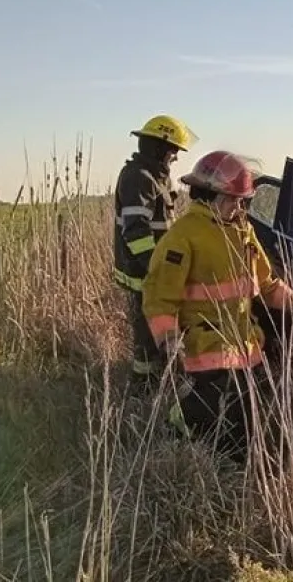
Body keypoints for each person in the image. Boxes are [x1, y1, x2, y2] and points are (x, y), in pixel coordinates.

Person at [140, 150, 293, 462]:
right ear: (210, 195)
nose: (239, 207)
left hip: (244, 344)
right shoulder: (182, 237)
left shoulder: (242, 231)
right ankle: (181, 432)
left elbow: (268, 284)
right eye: (233, 200)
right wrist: (168, 341)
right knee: (213, 415)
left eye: (241, 201)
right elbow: (159, 297)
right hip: (206, 346)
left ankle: (230, 458)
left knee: (245, 421)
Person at [113, 114, 199, 390]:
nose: (175, 157)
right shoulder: (137, 178)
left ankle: (157, 382)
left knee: (157, 332)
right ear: (160, 147)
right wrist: (156, 269)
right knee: (147, 339)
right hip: (144, 274)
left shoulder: (156, 178)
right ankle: (142, 391)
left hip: (154, 273)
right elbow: (136, 232)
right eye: (173, 150)